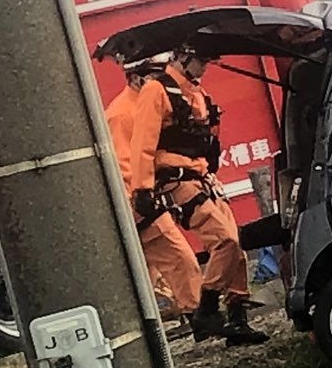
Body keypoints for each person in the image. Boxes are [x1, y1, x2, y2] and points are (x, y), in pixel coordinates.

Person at [124, 46, 267, 346]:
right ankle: (208, 306)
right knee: (224, 239)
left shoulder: (194, 92)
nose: (206, 66)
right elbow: (142, 145)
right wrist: (142, 188)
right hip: (177, 181)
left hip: (201, 177)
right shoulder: (156, 91)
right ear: (182, 57)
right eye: (203, 60)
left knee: (235, 244)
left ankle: (238, 316)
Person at [104, 57, 203, 326]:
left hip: (144, 200)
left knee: (147, 273)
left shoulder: (143, 105)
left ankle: (149, 324)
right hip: (139, 204)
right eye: (153, 75)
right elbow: (124, 164)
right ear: (136, 78)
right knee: (181, 259)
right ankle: (197, 315)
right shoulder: (122, 114)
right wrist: (141, 200)